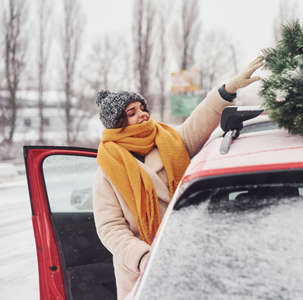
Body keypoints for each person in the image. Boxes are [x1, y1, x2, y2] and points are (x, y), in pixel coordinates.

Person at [93, 57, 264, 300]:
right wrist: (143, 257)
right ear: (118, 124)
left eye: (142, 108)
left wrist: (227, 91)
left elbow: (199, 121)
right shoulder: (108, 168)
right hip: (142, 269)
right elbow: (110, 227)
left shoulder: (169, 141)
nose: (142, 114)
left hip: (188, 253)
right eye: (132, 113)